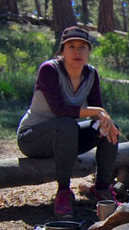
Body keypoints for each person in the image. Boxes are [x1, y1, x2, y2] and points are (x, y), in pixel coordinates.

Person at [17, 26, 121, 218]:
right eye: (71, 46)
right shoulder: (49, 70)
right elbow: (60, 110)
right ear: (62, 51)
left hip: (66, 137)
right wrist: (99, 112)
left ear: (89, 51)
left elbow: (95, 109)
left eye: (82, 47)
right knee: (66, 123)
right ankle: (63, 192)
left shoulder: (91, 74)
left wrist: (105, 120)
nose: (77, 51)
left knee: (108, 128)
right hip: (34, 138)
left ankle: (102, 188)